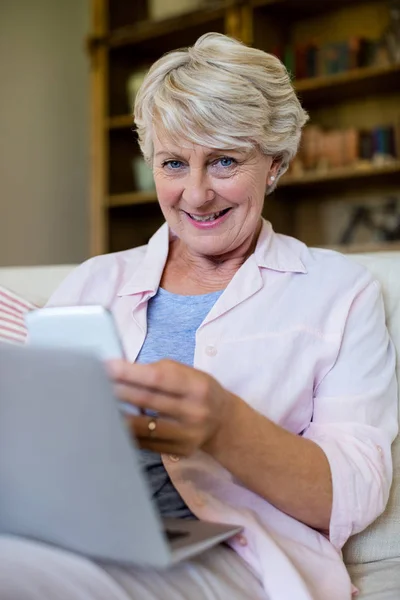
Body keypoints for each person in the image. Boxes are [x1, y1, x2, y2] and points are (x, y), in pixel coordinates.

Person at [0, 33, 397, 600]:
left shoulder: (339, 292)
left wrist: (225, 425)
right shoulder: (96, 281)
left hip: (229, 553)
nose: (196, 193)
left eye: (225, 161)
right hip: (76, 530)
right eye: (174, 163)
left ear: (276, 166)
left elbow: (353, 495)